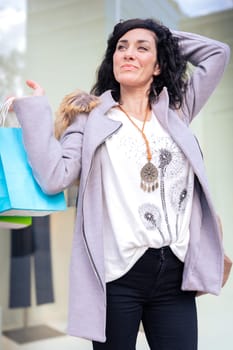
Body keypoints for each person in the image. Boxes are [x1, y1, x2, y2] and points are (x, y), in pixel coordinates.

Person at [11, 18, 231, 350]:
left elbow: (218, 53)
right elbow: (55, 176)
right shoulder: (89, 117)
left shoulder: (177, 109)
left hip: (174, 272)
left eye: (141, 49)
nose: (128, 54)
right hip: (117, 275)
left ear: (158, 65)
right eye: (121, 47)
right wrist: (36, 109)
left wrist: (160, 37)